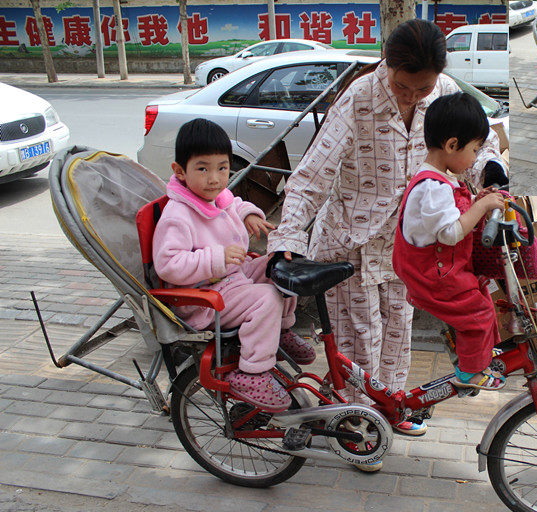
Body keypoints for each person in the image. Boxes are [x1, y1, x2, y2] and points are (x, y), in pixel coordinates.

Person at [267, 19, 506, 469]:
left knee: (397, 333)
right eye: (403, 87)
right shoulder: (357, 99)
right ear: (387, 64)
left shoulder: (443, 92)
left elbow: (481, 147)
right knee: (361, 342)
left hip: (410, 248)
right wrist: (286, 239)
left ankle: (394, 409)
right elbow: (310, 179)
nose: (412, 97)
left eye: (422, 88)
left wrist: (490, 174)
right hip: (350, 243)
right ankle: (358, 430)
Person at [152, 118, 315, 413]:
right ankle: (252, 373)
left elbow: (232, 204)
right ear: (180, 171)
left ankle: (281, 331)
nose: (214, 178)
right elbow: (168, 264)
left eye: (222, 168)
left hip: (232, 279)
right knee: (266, 298)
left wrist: (248, 213)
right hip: (205, 298)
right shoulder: (178, 214)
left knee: (278, 264)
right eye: (202, 169)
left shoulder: (213, 196)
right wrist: (216, 257)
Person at [393, 93, 507, 391]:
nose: (474, 158)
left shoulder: (437, 178)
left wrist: (478, 200)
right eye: (474, 149)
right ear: (452, 145)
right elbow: (450, 233)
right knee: (478, 314)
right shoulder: (432, 186)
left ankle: (476, 353)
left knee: (482, 297)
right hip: (434, 275)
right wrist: (480, 208)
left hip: (441, 269)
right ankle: (470, 371)